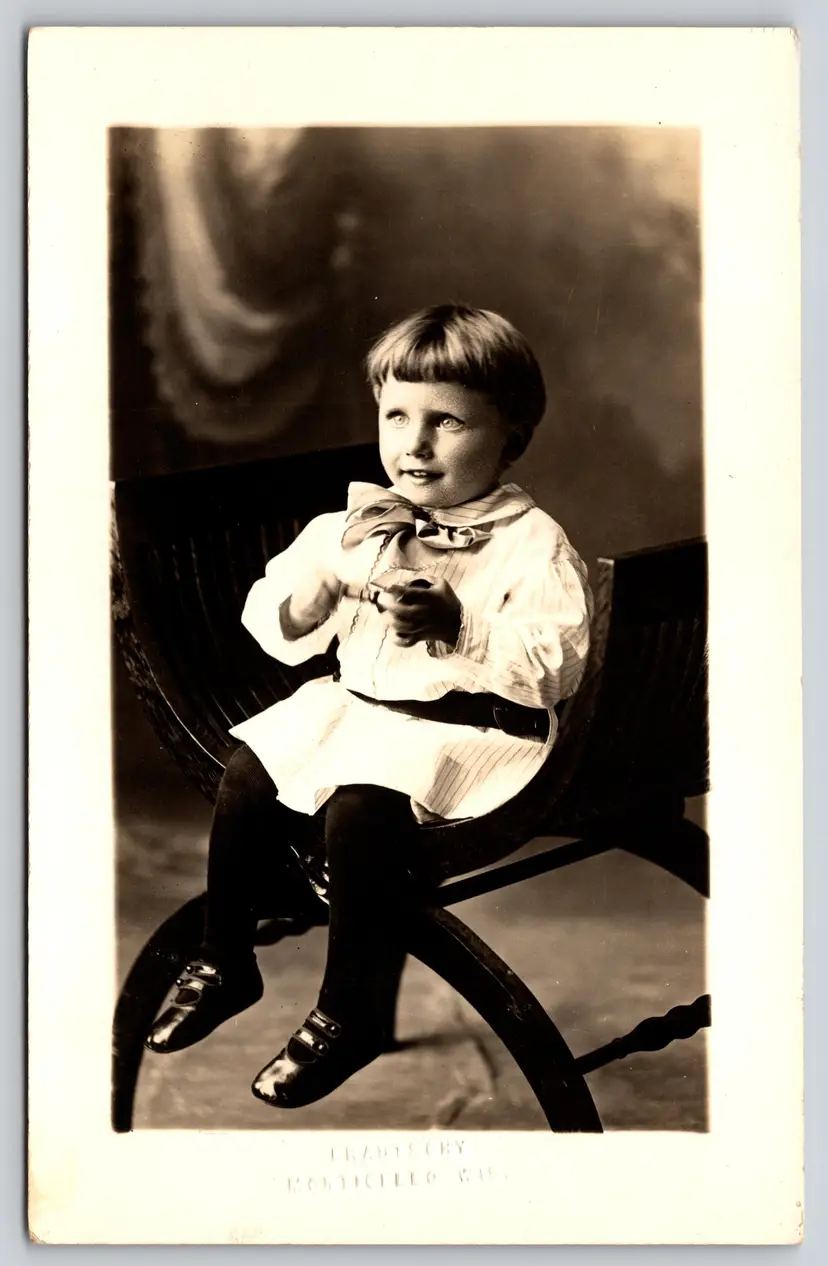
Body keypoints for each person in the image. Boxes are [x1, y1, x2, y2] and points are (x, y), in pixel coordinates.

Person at [144, 304, 593, 1111]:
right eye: (396, 416)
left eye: (447, 422)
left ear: (510, 437)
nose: (414, 445)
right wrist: (309, 595)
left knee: (359, 812)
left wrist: (463, 623)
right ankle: (224, 956)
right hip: (365, 713)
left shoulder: (533, 544)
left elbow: (557, 664)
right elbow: (272, 627)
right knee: (249, 771)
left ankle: (345, 1012)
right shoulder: (351, 525)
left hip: (475, 734)